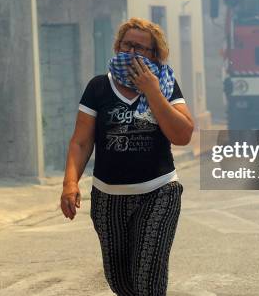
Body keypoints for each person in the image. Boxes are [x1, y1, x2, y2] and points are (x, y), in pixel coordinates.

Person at [60, 17, 194, 295]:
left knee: (148, 281)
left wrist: (152, 91)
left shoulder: (166, 84)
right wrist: (70, 184)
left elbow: (182, 136)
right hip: (108, 198)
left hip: (158, 192)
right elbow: (81, 142)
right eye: (126, 45)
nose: (131, 53)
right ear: (117, 46)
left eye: (140, 48)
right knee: (121, 282)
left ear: (154, 54)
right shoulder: (98, 87)